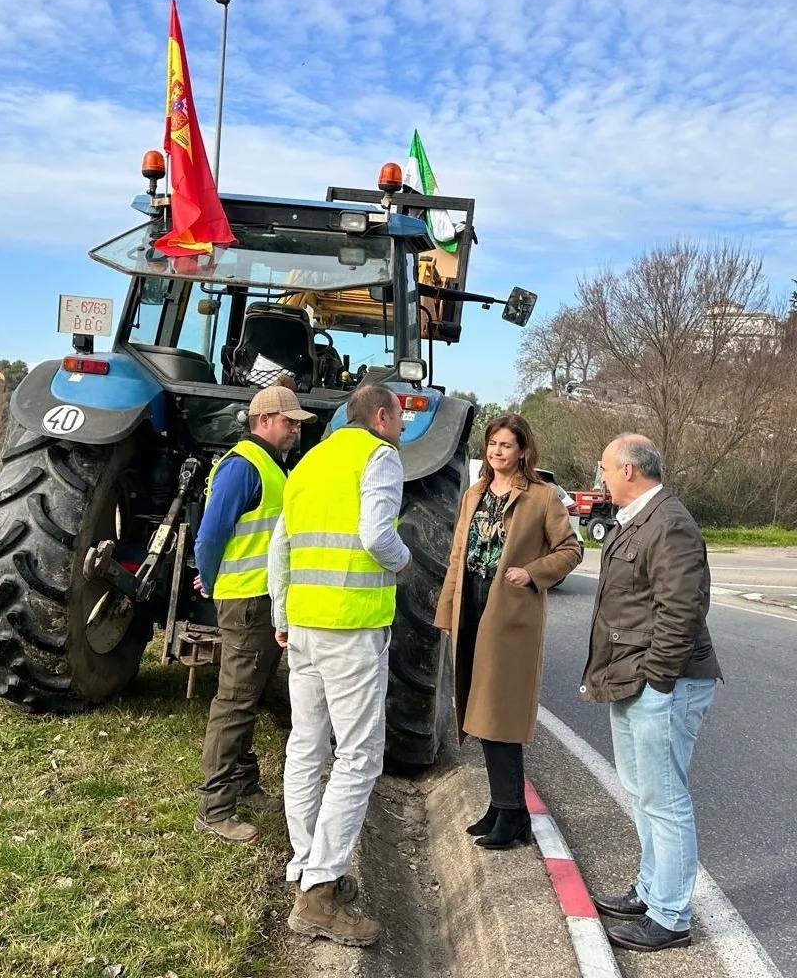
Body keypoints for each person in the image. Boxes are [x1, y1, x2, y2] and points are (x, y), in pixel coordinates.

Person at [268, 383, 411, 948]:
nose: (400, 428)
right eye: (399, 418)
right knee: (358, 757)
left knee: (306, 745)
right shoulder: (379, 457)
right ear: (380, 416)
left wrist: (282, 611)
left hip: (302, 624)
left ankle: (305, 864)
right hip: (350, 627)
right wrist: (404, 563)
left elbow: (281, 547)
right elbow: (377, 535)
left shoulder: (307, 463)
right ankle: (320, 892)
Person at [581, 434, 721, 953]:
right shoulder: (640, 517)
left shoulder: (670, 522)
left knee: (665, 801)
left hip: (664, 683)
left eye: (605, 469)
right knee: (644, 795)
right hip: (634, 678)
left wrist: (657, 679)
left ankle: (670, 916)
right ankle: (651, 889)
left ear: (630, 471)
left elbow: (682, 610)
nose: (601, 478)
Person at [434, 413, 581, 850]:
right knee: (478, 710)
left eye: (506, 445)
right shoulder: (473, 494)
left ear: (523, 451)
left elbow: (571, 550)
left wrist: (532, 573)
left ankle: (512, 814)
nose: (498, 452)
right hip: (472, 605)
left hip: (510, 613)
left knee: (498, 715)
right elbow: (457, 554)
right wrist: (448, 613)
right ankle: (503, 808)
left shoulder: (542, 497)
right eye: (493, 444)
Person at [193, 383, 316, 845]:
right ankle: (214, 806)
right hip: (246, 601)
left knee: (253, 692)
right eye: (288, 423)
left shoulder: (268, 466)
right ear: (263, 420)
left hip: (261, 599)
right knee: (235, 701)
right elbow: (211, 535)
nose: (294, 432)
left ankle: (244, 782)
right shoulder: (243, 467)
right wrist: (213, 577)